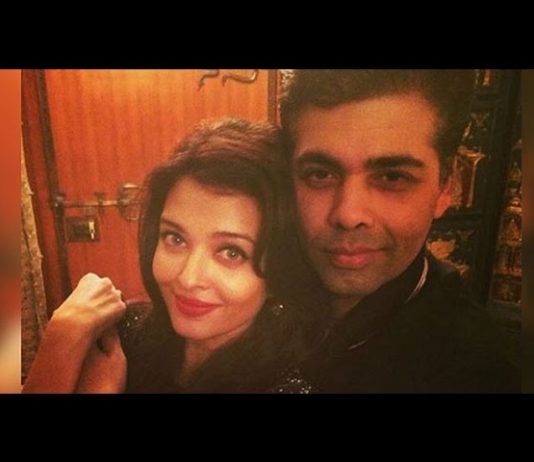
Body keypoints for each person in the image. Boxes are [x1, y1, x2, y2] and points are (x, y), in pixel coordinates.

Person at [23, 118, 327, 394]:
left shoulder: (289, 386)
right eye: (176, 238)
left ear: (280, 270)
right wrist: (62, 336)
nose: (188, 278)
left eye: (231, 252)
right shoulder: (125, 332)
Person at [280, 69, 520, 393]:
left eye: (392, 177)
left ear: (447, 186)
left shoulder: (478, 372)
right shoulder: (249, 293)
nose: (348, 215)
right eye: (320, 174)